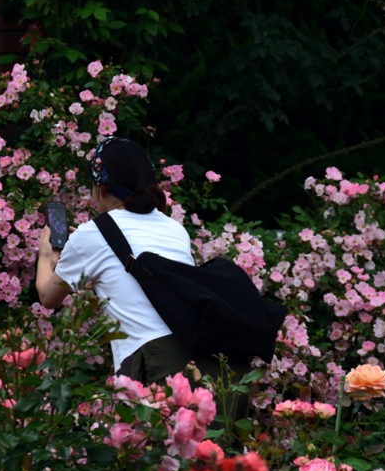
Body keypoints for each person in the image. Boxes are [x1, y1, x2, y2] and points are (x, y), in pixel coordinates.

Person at [36, 137, 250, 387]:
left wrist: (46, 256)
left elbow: (47, 297)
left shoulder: (92, 233)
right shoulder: (174, 228)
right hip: (211, 361)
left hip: (159, 361)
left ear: (100, 188)